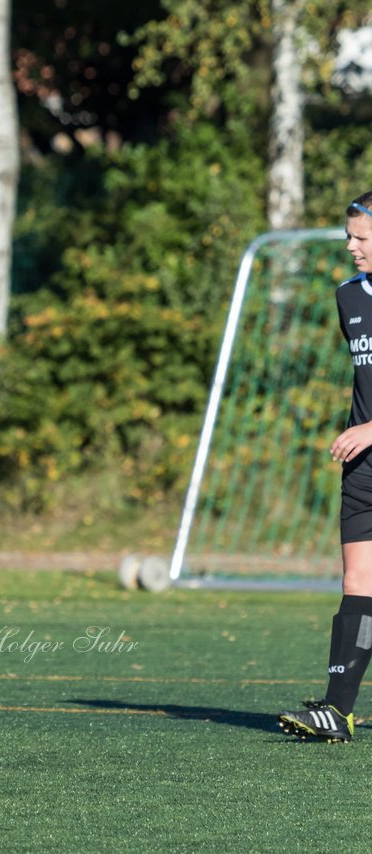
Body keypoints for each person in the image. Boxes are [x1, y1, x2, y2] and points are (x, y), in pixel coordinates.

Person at [279, 192, 372, 742]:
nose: (350, 247)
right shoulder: (348, 298)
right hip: (362, 469)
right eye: (349, 236)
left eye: (361, 238)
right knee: (357, 584)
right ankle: (337, 712)